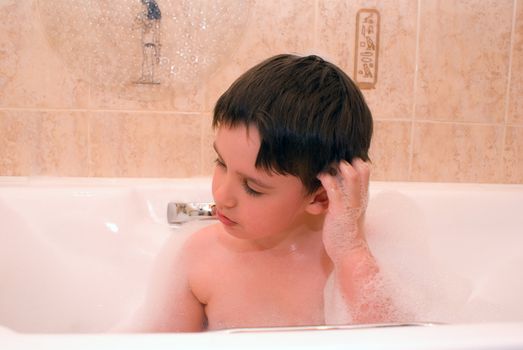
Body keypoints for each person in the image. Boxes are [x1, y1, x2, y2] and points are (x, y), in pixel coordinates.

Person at [124, 54, 396, 332]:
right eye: (221, 163)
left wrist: (350, 250)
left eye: (252, 187)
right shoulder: (200, 259)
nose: (221, 195)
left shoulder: (366, 259)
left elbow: (398, 342)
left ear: (321, 196)